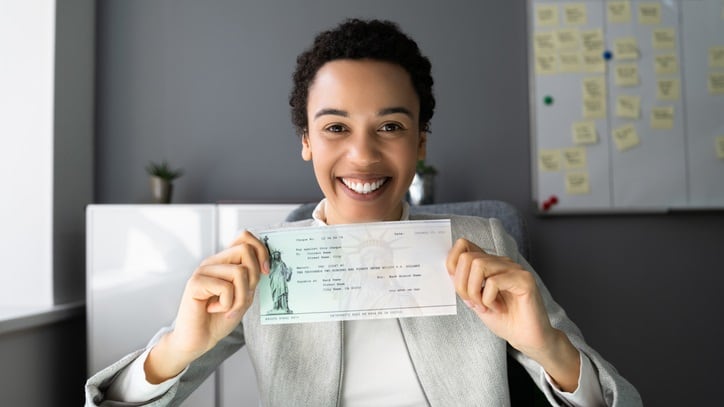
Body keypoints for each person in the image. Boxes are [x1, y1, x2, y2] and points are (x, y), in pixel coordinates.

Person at [85, 18, 642, 406]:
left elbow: (618, 400)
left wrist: (543, 344)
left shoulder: (486, 242)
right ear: (306, 141)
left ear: (421, 142)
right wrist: (182, 345)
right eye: (334, 128)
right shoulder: (260, 263)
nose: (363, 155)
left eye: (391, 127)